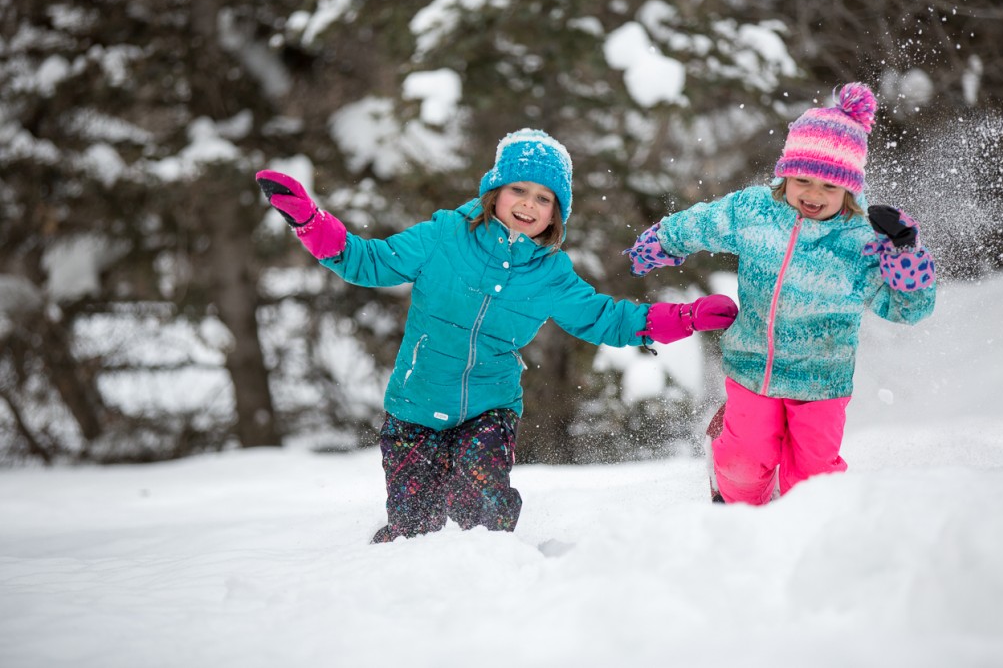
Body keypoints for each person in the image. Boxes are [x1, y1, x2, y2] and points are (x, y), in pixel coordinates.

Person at [256, 128, 738, 541]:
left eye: (544, 198)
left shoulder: (550, 273)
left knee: (482, 513)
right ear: (495, 191)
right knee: (412, 530)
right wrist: (309, 222)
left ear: (556, 214)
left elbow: (606, 318)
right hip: (413, 407)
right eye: (519, 191)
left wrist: (685, 318)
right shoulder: (443, 235)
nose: (528, 204)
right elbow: (367, 260)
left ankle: (496, 587)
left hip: (489, 409)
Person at [624, 83, 937, 505]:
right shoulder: (755, 211)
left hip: (822, 381)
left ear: (850, 190)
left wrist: (905, 264)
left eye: (829, 187)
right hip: (754, 367)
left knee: (812, 482)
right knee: (742, 465)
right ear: (785, 174)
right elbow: (706, 220)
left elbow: (907, 310)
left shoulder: (860, 242)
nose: (813, 195)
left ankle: (805, 534)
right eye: (802, 180)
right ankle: (734, 505)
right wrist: (665, 240)